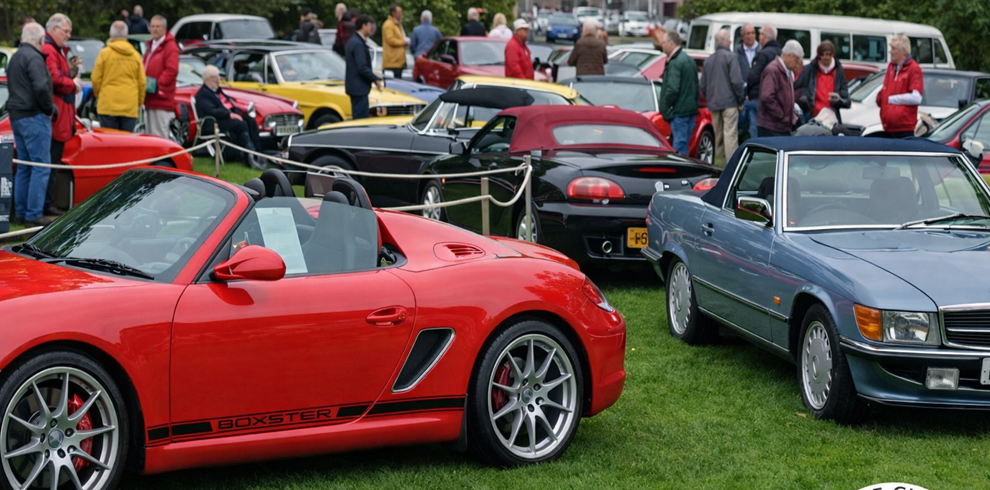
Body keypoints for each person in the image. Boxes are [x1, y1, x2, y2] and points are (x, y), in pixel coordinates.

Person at [8, 22, 55, 226]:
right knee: (40, 166)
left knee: (25, 166)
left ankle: (21, 213)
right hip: (34, 116)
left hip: (17, 116)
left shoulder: (15, 57)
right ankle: (33, 214)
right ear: (40, 40)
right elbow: (41, 87)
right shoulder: (34, 57)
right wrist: (49, 109)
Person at [43, 13, 81, 217]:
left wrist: (71, 73)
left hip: (60, 117)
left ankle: (47, 203)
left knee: (52, 162)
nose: (68, 35)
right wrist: (72, 84)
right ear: (54, 29)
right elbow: (55, 79)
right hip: (56, 119)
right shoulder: (50, 50)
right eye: (66, 31)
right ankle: (46, 205)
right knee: (50, 162)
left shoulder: (56, 50)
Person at [195, 65, 264, 169]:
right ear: (208, 79)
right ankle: (249, 156)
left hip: (223, 119)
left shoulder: (217, 91)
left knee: (250, 120)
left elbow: (228, 104)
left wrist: (237, 113)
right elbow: (211, 110)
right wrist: (229, 114)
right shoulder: (202, 94)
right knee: (241, 125)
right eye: (216, 77)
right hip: (213, 123)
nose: (219, 79)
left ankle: (258, 152)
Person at [92, 21, 145, 132]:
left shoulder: (104, 54)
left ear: (110, 34)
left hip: (108, 105)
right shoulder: (135, 55)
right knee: (126, 144)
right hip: (129, 105)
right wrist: (138, 102)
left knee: (109, 143)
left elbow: (96, 79)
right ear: (126, 35)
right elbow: (142, 82)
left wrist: (100, 96)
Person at [701, 29, 744, 165]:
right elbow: (737, 81)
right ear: (724, 41)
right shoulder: (731, 57)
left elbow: (702, 85)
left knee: (718, 136)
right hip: (730, 102)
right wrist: (740, 100)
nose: (731, 41)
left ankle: (718, 166)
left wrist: (710, 98)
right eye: (729, 38)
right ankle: (732, 167)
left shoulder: (708, 60)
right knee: (730, 136)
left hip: (714, 103)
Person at [658, 30, 698, 156]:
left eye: (663, 42)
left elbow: (672, 89)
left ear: (671, 43)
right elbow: (696, 86)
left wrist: (665, 108)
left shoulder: (675, 62)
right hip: (690, 109)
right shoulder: (688, 59)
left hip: (679, 111)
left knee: (679, 146)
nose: (662, 45)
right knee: (684, 143)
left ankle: (680, 172)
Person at [878, 34, 923, 138]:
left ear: (903, 51)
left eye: (893, 48)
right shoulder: (891, 67)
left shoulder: (914, 69)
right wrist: (880, 98)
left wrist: (891, 99)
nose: (890, 51)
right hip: (888, 127)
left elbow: (916, 98)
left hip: (904, 129)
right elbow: (887, 90)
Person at [794, 40, 850, 124]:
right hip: (812, 116)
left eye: (829, 54)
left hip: (832, 117)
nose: (826, 57)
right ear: (819, 55)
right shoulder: (809, 69)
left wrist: (839, 100)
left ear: (833, 55)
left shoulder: (839, 71)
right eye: (824, 54)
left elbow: (845, 97)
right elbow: (796, 87)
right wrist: (804, 99)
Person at [758, 40, 804, 137]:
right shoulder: (773, 70)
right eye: (796, 60)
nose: (797, 64)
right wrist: (781, 115)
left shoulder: (785, 70)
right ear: (789, 56)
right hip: (772, 127)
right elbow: (767, 97)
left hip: (779, 126)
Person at [144, 15, 179, 139]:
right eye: (152, 26)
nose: (155, 29)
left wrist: (156, 84)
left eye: (158, 26)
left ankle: (163, 159)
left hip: (161, 99)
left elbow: (171, 70)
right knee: (149, 135)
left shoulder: (170, 47)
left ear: (164, 28)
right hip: (149, 98)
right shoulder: (150, 46)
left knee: (159, 136)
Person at [345, 15, 383, 119]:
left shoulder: (353, 40)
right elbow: (362, 67)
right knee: (361, 120)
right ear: (363, 26)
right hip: (359, 88)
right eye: (369, 25)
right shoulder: (357, 43)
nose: (371, 28)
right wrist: (375, 79)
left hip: (356, 88)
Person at [746, 24, 781, 136]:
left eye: (760, 34)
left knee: (755, 129)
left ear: (764, 36)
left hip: (759, 96)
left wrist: (748, 92)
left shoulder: (763, 54)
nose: (758, 38)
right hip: (776, 98)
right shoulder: (781, 53)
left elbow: (754, 76)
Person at [734, 23, 759, 139]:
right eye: (748, 33)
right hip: (742, 96)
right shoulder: (736, 52)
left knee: (754, 126)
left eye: (753, 33)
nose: (751, 36)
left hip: (755, 95)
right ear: (742, 36)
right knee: (740, 125)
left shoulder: (761, 50)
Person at [382, 5, 408, 79]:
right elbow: (390, 40)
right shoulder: (388, 25)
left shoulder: (397, 24)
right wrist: (403, 42)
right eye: (399, 12)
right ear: (393, 13)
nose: (401, 14)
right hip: (391, 63)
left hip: (398, 62)